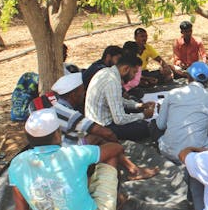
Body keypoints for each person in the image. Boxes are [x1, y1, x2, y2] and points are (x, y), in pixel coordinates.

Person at [10, 109, 124, 210]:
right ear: (57, 135)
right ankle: (113, 206)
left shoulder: (17, 163)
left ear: (29, 138)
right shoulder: (74, 153)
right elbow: (116, 148)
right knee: (110, 157)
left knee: (34, 203)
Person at [29, 73, 159, 180]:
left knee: (98, 138)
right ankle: (128, 173)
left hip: (49, 146)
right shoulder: (67, 113)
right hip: (64, 152)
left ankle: (132, 169)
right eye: (82, 91)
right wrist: (117, 144)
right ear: (73, 94)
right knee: (110, 144)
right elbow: (105, 132)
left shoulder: (51, 102)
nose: (84, 93)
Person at [156, 62, 208, 162]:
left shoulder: (173, 93)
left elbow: (160, 125)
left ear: (188, 77)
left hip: (169, 152)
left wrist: (165, 114)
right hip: (197, 153)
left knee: (153, 125)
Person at [85, 55, 155, 141]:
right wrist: (144, 115)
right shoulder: (112, 81)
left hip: (98, 122)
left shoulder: (107, 72)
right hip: (103, 127)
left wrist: (138, 105)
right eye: (134, 72)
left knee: (136, 107)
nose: (134, 76)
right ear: (126, 69)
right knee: (145, 127)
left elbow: (117, 100)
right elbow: (119, 119)